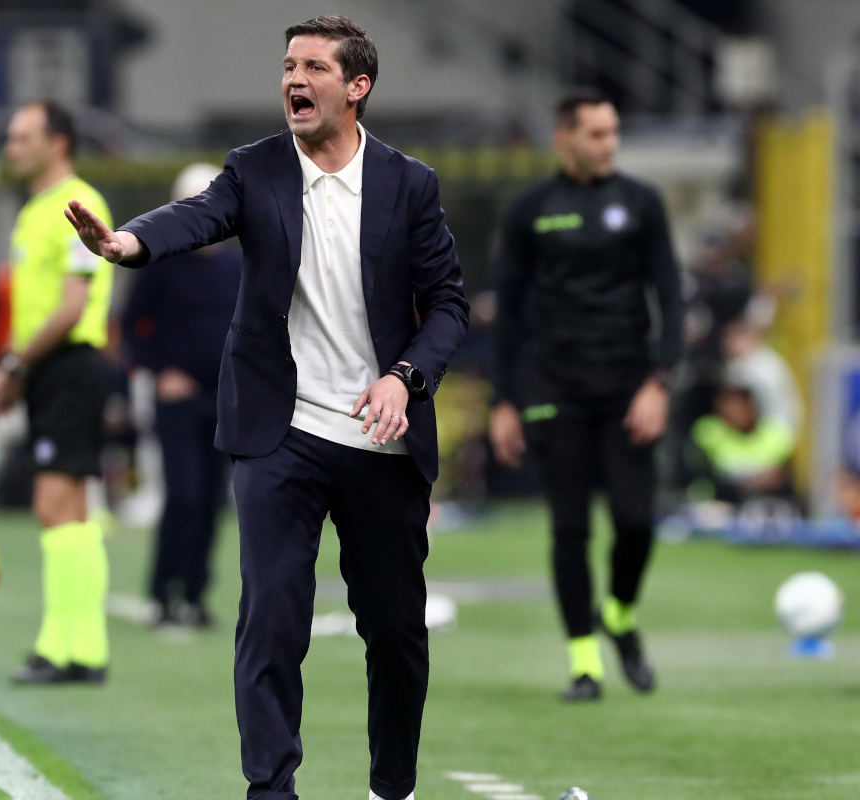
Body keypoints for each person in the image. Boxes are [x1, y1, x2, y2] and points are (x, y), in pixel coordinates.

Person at [65, 16, 468, 800]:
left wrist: (405, 376)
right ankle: (271, 791)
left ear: (358, 88)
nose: (294, 78)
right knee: (272, 617)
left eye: (314, 66)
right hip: (278, 430)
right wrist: (127, 245)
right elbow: (199, 216)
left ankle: (394, 787)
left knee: (394, 631)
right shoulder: (255, 170)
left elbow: (448, 303)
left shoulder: (409, 184)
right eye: (288, 64)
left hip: (380, 434)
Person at [488, 89, 684, 702]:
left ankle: (620, 615)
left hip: (627, 385)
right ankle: (584, 664)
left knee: (635, 521)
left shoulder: (642, 203)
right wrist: (503, 400)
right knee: (569, 528)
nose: (609, 144)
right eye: (597, 134)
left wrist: (659, 381)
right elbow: (509, 313)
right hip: (554, 385)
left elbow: (672, 298)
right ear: (564, 138)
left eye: (613, 132)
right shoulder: (529, 210)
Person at [0, 100, 116, 686]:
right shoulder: (33, 209)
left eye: (23, 136)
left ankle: (67, 647)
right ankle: (76, 645)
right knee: (70, 508)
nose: (12, 147)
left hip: (70, 364)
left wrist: (12, 365)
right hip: (49, 370)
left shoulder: (78, 203)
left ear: (58, 142)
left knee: (56, 504)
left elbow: (71, 306)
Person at [121, 162, 244, 627]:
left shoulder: (233, 267)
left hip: (223, 401)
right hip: (175, 400)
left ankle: (195, 593)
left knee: (214, 499)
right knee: (184, 495)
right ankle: (163, 591)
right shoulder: (160, 264)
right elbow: (133, 329)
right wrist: (160, 371)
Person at [687, 382, 795, 505]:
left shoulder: (775, 433)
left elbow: (783, 478)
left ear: (751, 405)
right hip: (721, 507)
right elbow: (702, 477)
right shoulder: (708, 432)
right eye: (726, 405)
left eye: (739, 405)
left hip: (766, 507)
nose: (733, 412)